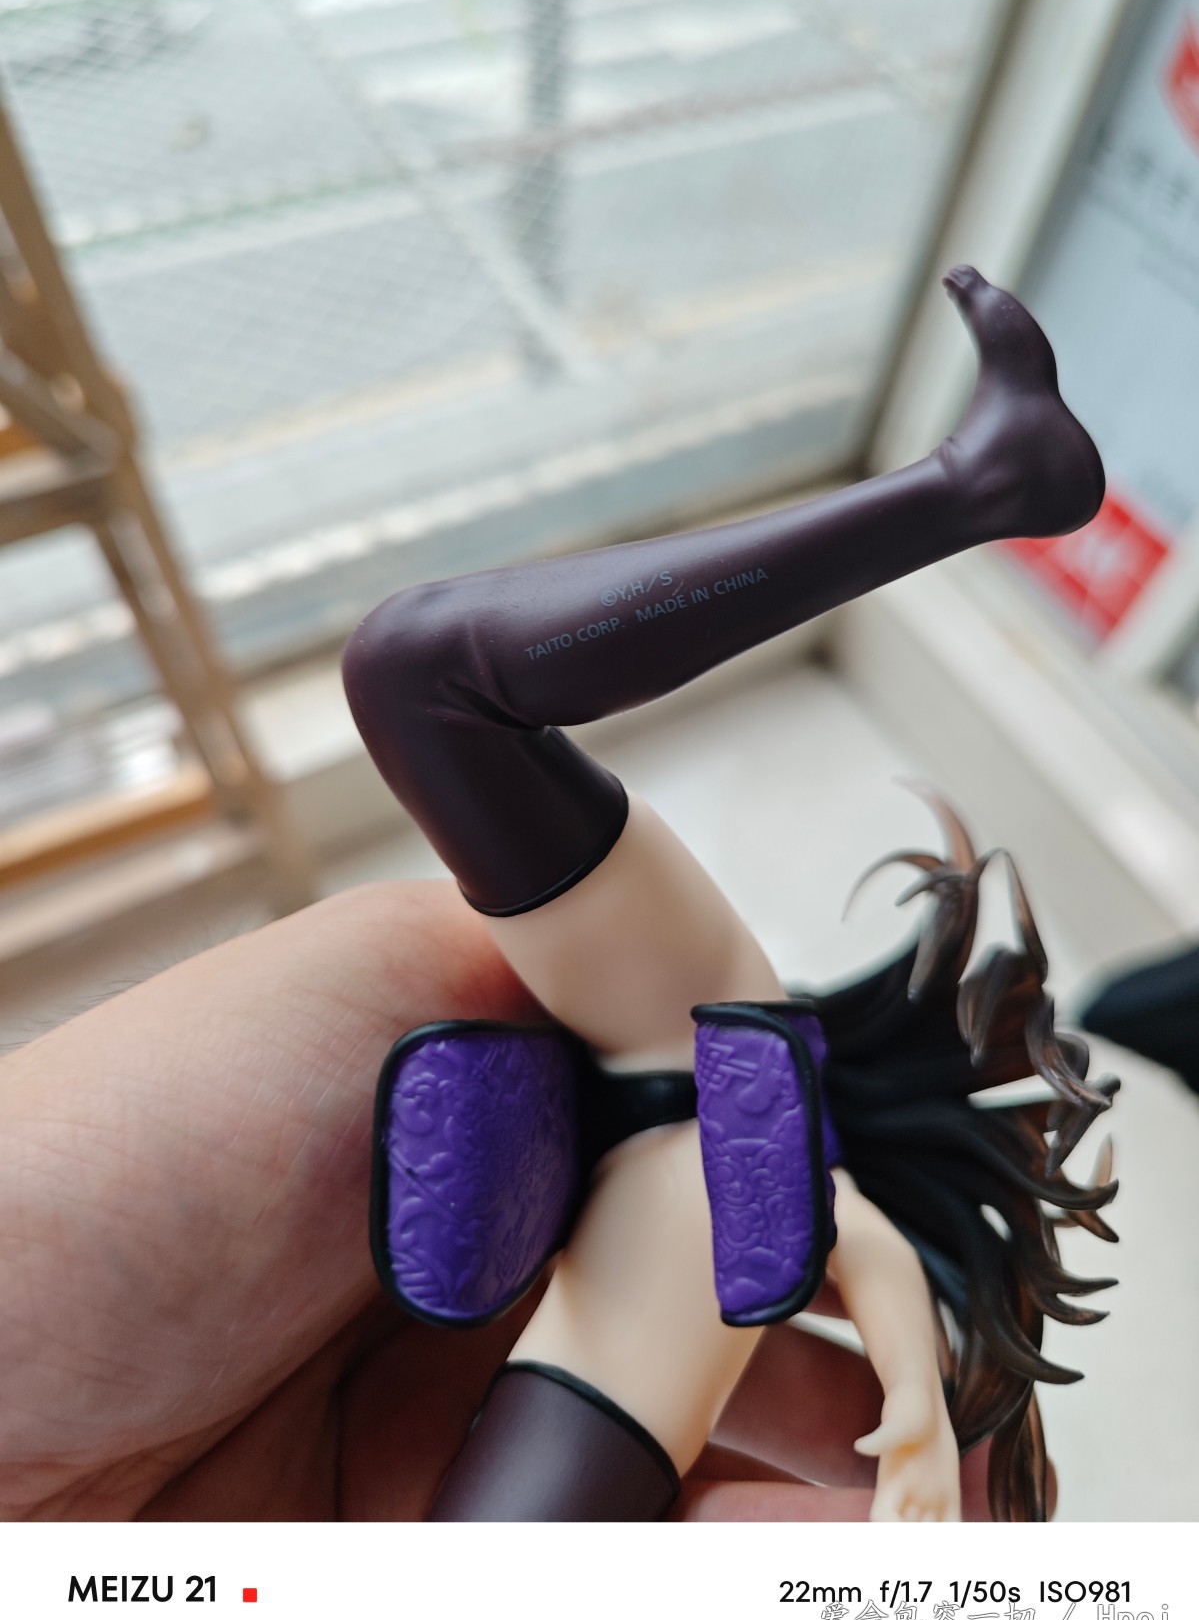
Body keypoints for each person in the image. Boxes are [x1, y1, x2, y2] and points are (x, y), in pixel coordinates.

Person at [342, 268, 1115, 1521]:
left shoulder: (752, 1195)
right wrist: (915, 1410)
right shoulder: (780, 1170)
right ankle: (982, 484)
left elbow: (863, 1251)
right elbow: (869, 1252)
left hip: (608, 1341)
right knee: (417, 673)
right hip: (668, 1027)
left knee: (416, 673)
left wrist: (916, 1415)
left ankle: (987, 482)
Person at [0, 880, 1002, 1520]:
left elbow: (877, 1257)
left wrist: (914, 1399)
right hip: (589, 1383)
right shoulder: (696, 1133)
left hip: (617, 1390)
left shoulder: (787, 1176)